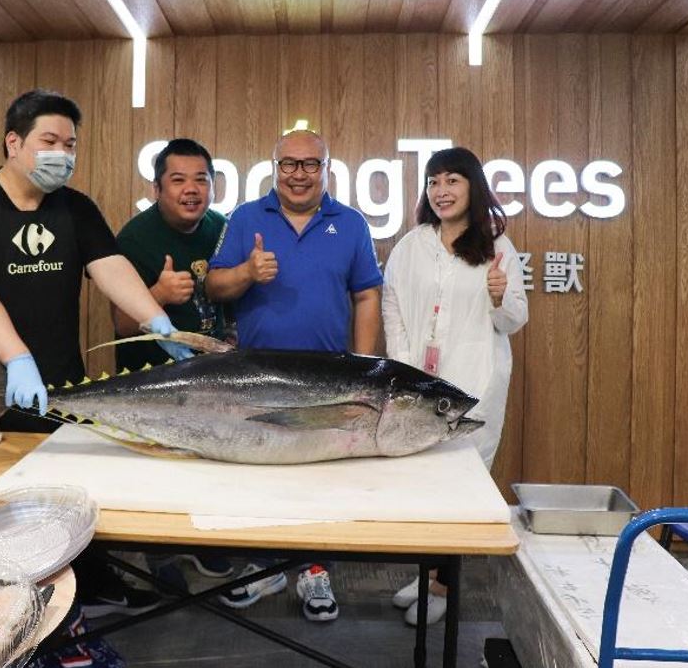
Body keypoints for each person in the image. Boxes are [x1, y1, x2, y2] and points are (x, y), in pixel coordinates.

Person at [0, 89, 193, 628]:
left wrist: (158, 321)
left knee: (65, 485)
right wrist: (17, 360)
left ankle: (81, 592)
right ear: (14, 143)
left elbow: (110, 267)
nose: (62, 154)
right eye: (49, 141)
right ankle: (10, 605)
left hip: (59, 368)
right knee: (5, 487)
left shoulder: (74, 207)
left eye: (70, 144)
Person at [206, 129, 383, 621]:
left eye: (310, 164)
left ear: (327, 169)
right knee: (259, 474)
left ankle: (315, 570)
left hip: (328, 377)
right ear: (274, 167)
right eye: (289, 164)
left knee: (322, 481)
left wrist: (362, 369)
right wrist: (246, 273)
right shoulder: (245, 218)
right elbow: (215, 285)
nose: (298, 174)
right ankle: (264, 567)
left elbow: (366, 294)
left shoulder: (350, 223)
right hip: (256, 376)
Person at [382, 146, 528, 626]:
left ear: (472, 187)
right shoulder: (412, 245)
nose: (441, 191)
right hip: (420, 389)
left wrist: (500, 298)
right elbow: (393, 306)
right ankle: (428, 574)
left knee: (462, 488)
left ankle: (445, 585)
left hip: (475, 384)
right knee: (422, 486)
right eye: (433, 182)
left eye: (452, 181)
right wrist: (403, 370)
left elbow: (514, 320)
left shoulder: (496, 246)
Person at [111, 137, 233, 587]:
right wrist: (158, 296)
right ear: (157, 188)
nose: (191, 189)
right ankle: (159, 551)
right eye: (178, 180)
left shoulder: (221, 228)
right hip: (151, 381)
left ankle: (203, 540)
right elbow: (122, 324)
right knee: (157, 471)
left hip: (211, 379)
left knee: (209, 461)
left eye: (201, 179)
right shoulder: (134, 238)